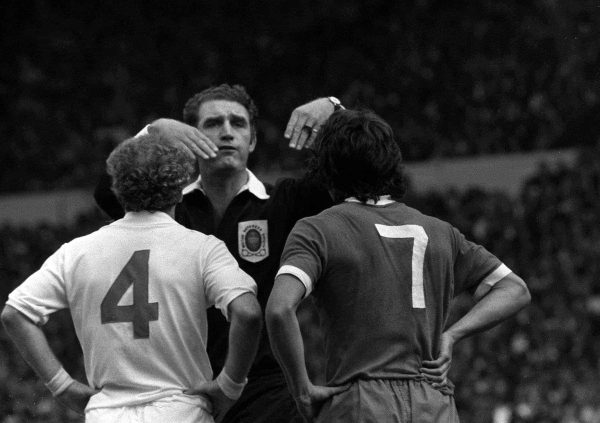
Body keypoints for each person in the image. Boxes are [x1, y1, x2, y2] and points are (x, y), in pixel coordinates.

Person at [93, 84, 343, 422]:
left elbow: (354, 179)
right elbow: (106, 192)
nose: (226, 132)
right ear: (187, 139)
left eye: (237, 124)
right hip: (180, 390)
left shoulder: (285, 202)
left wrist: (334, 112)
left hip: (266, 390)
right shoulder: (165, 207)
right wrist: (152, 132)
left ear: (252, 140)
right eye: (213, 123)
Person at [266, 109, 532, 422]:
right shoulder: (441, 232)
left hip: (361, 400)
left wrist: (302, 390)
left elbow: (279, 309)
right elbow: (515, 289)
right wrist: (452, 336)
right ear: (392, 163)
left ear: (327, 171)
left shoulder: (318, 229)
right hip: (434, 400)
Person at [2, 134, 262, 423]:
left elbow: (15, 314)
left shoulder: (75, 252)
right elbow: (248, 313)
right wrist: (230, 385)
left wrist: (62, 387)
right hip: (182, 411)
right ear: (179, 192)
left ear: (119, 190)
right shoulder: (203, 248)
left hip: (107, 414)